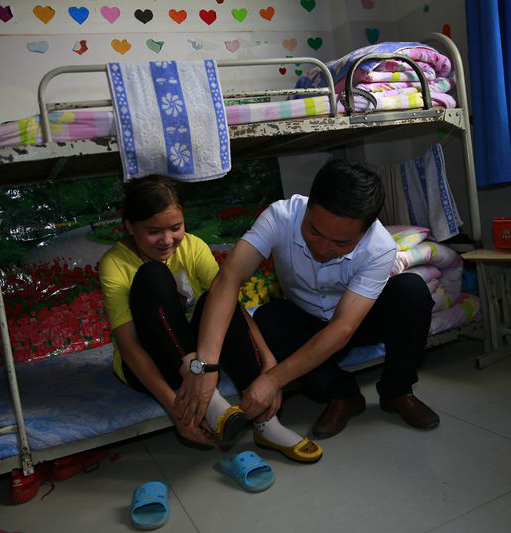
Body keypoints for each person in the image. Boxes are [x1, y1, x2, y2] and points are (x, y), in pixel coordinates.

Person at [181, 158, 439, 440]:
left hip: (356, 323)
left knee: (411, 291)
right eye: (314, 231)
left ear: (365, 231)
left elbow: (343, 328)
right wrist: (206, 366)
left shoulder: (380, 247)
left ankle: (397, 391)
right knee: (268, 317)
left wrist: (273, 379)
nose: (322, 248)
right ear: (308, 207)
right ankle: (343, 394)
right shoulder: (280, 217)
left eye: (341, 243)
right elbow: (228, 279)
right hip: (306, 324)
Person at [98, 175, 321, 462]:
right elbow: (129, 346)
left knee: (217, 299)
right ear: (129, 226)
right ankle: (209, 399)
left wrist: (269, 364)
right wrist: (178, 411)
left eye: (175, 228)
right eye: (153, 231)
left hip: (198, 358)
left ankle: (266, 423)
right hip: (153, 362)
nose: (167, 240)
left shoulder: (193, 246)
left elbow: (231, 305)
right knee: (152, 276)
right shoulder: (114, 263)